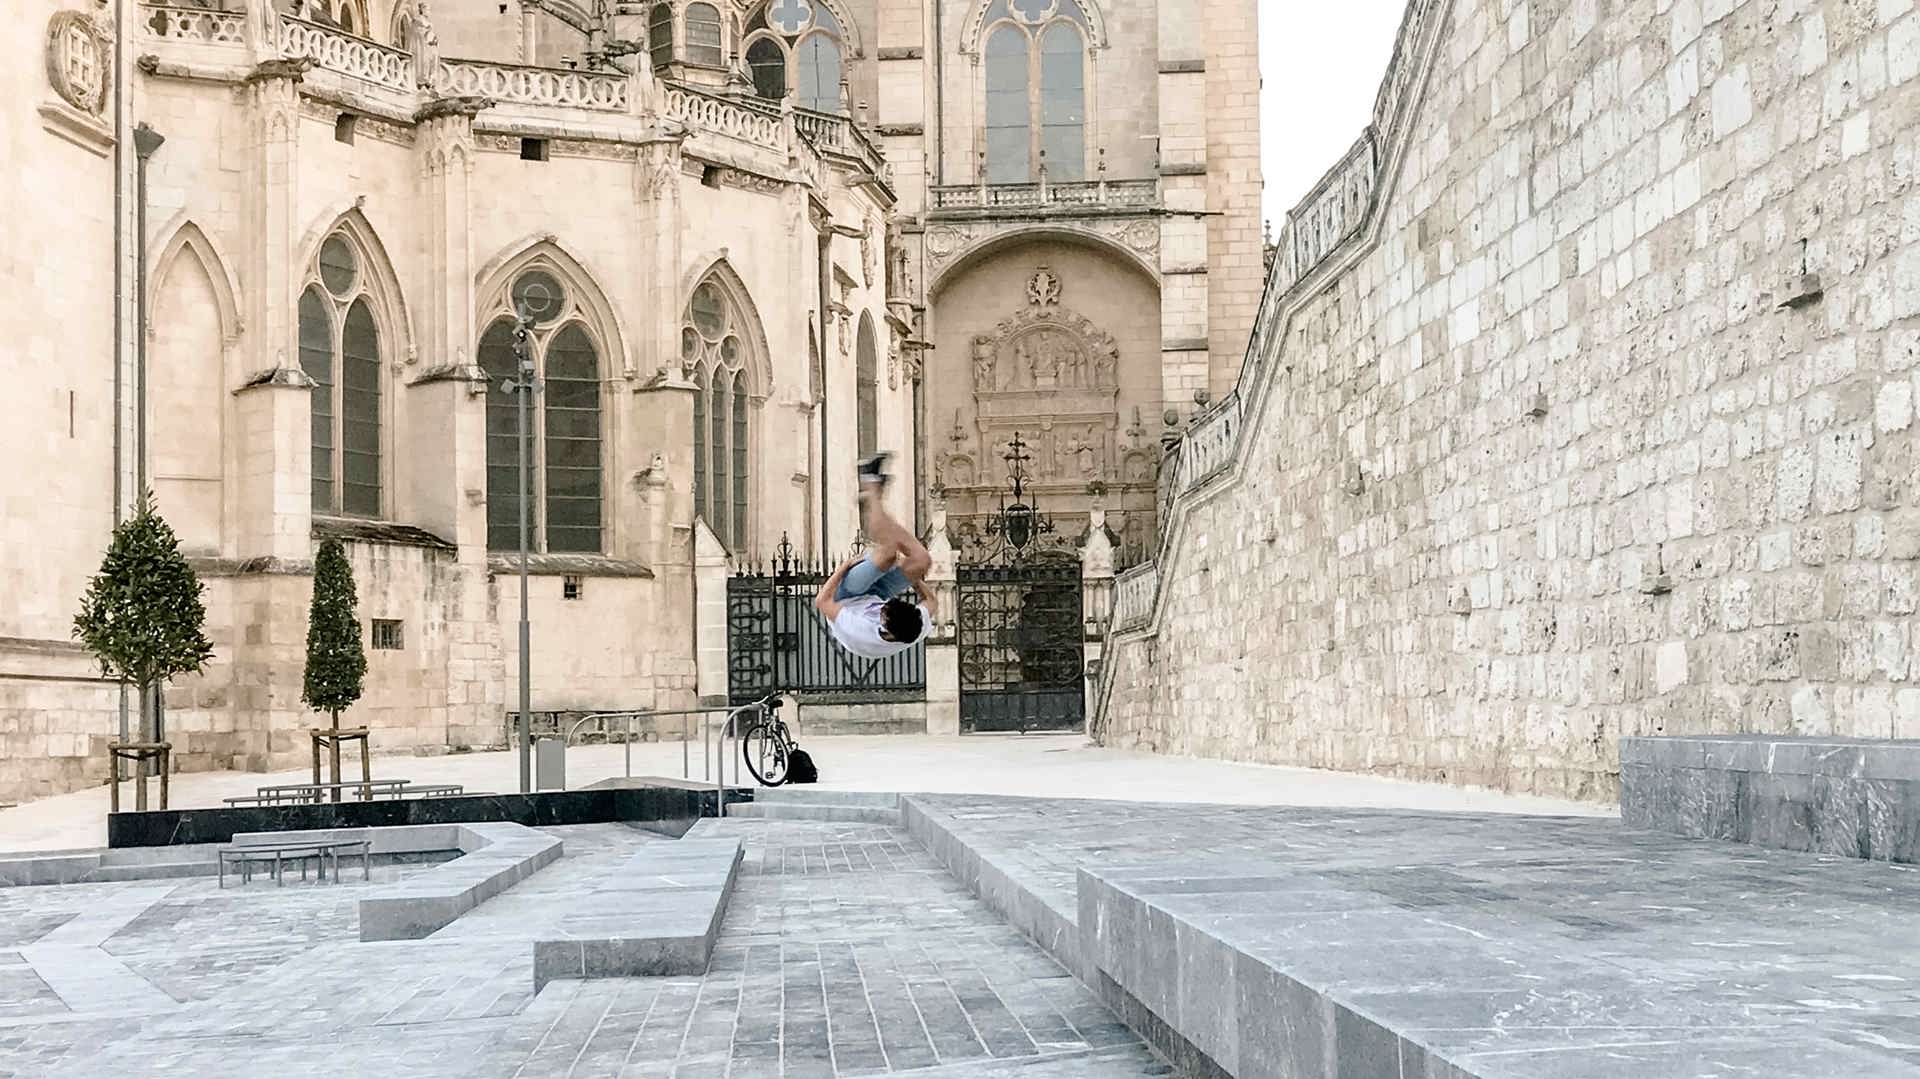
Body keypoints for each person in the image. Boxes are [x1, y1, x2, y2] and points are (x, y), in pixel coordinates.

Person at [814, 453, 935, 659]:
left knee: (888, 553)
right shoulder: (916, 625)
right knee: (922, 561)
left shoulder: (859, 630)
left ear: (885, 627)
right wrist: (913, 576)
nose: (884, 607)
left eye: (884, 611)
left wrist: (844, 567)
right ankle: (875, 499)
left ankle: (870, 486)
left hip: (845, 597)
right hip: (878, 593)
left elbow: (822, 601)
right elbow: (930, 600)